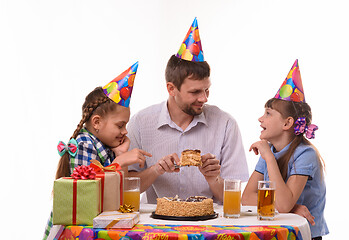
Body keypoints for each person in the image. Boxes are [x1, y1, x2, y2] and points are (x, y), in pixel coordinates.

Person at [127, 18, 249, 204]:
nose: (204, 98)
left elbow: (235, 198)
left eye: (206, 90)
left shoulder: (225, 124)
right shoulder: (141, 122)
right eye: (195, 92)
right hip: (157, 225)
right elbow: (126, 187)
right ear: (171, 89)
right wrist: (156, 170)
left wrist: (213, 179)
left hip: (209, 226)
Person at [43, 62, 151, 239]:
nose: (125, 131)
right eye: (120, 125)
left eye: (126, 125)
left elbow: (119, 195)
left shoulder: (108, 147)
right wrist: (120, 162)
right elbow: (89, 197)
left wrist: (121, 154)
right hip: (78, 230)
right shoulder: (84, 144)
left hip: (98, 227)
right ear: (97, 122)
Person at [242, 60, 328, 239]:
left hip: (303, 235)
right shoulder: (270, 149)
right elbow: (246, 198)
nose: (260, 118)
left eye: (268, 113)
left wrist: (269, 158)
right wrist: (293, 208)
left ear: (287, 123)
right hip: (277, 232)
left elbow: (282, 204)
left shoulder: (306, 154)